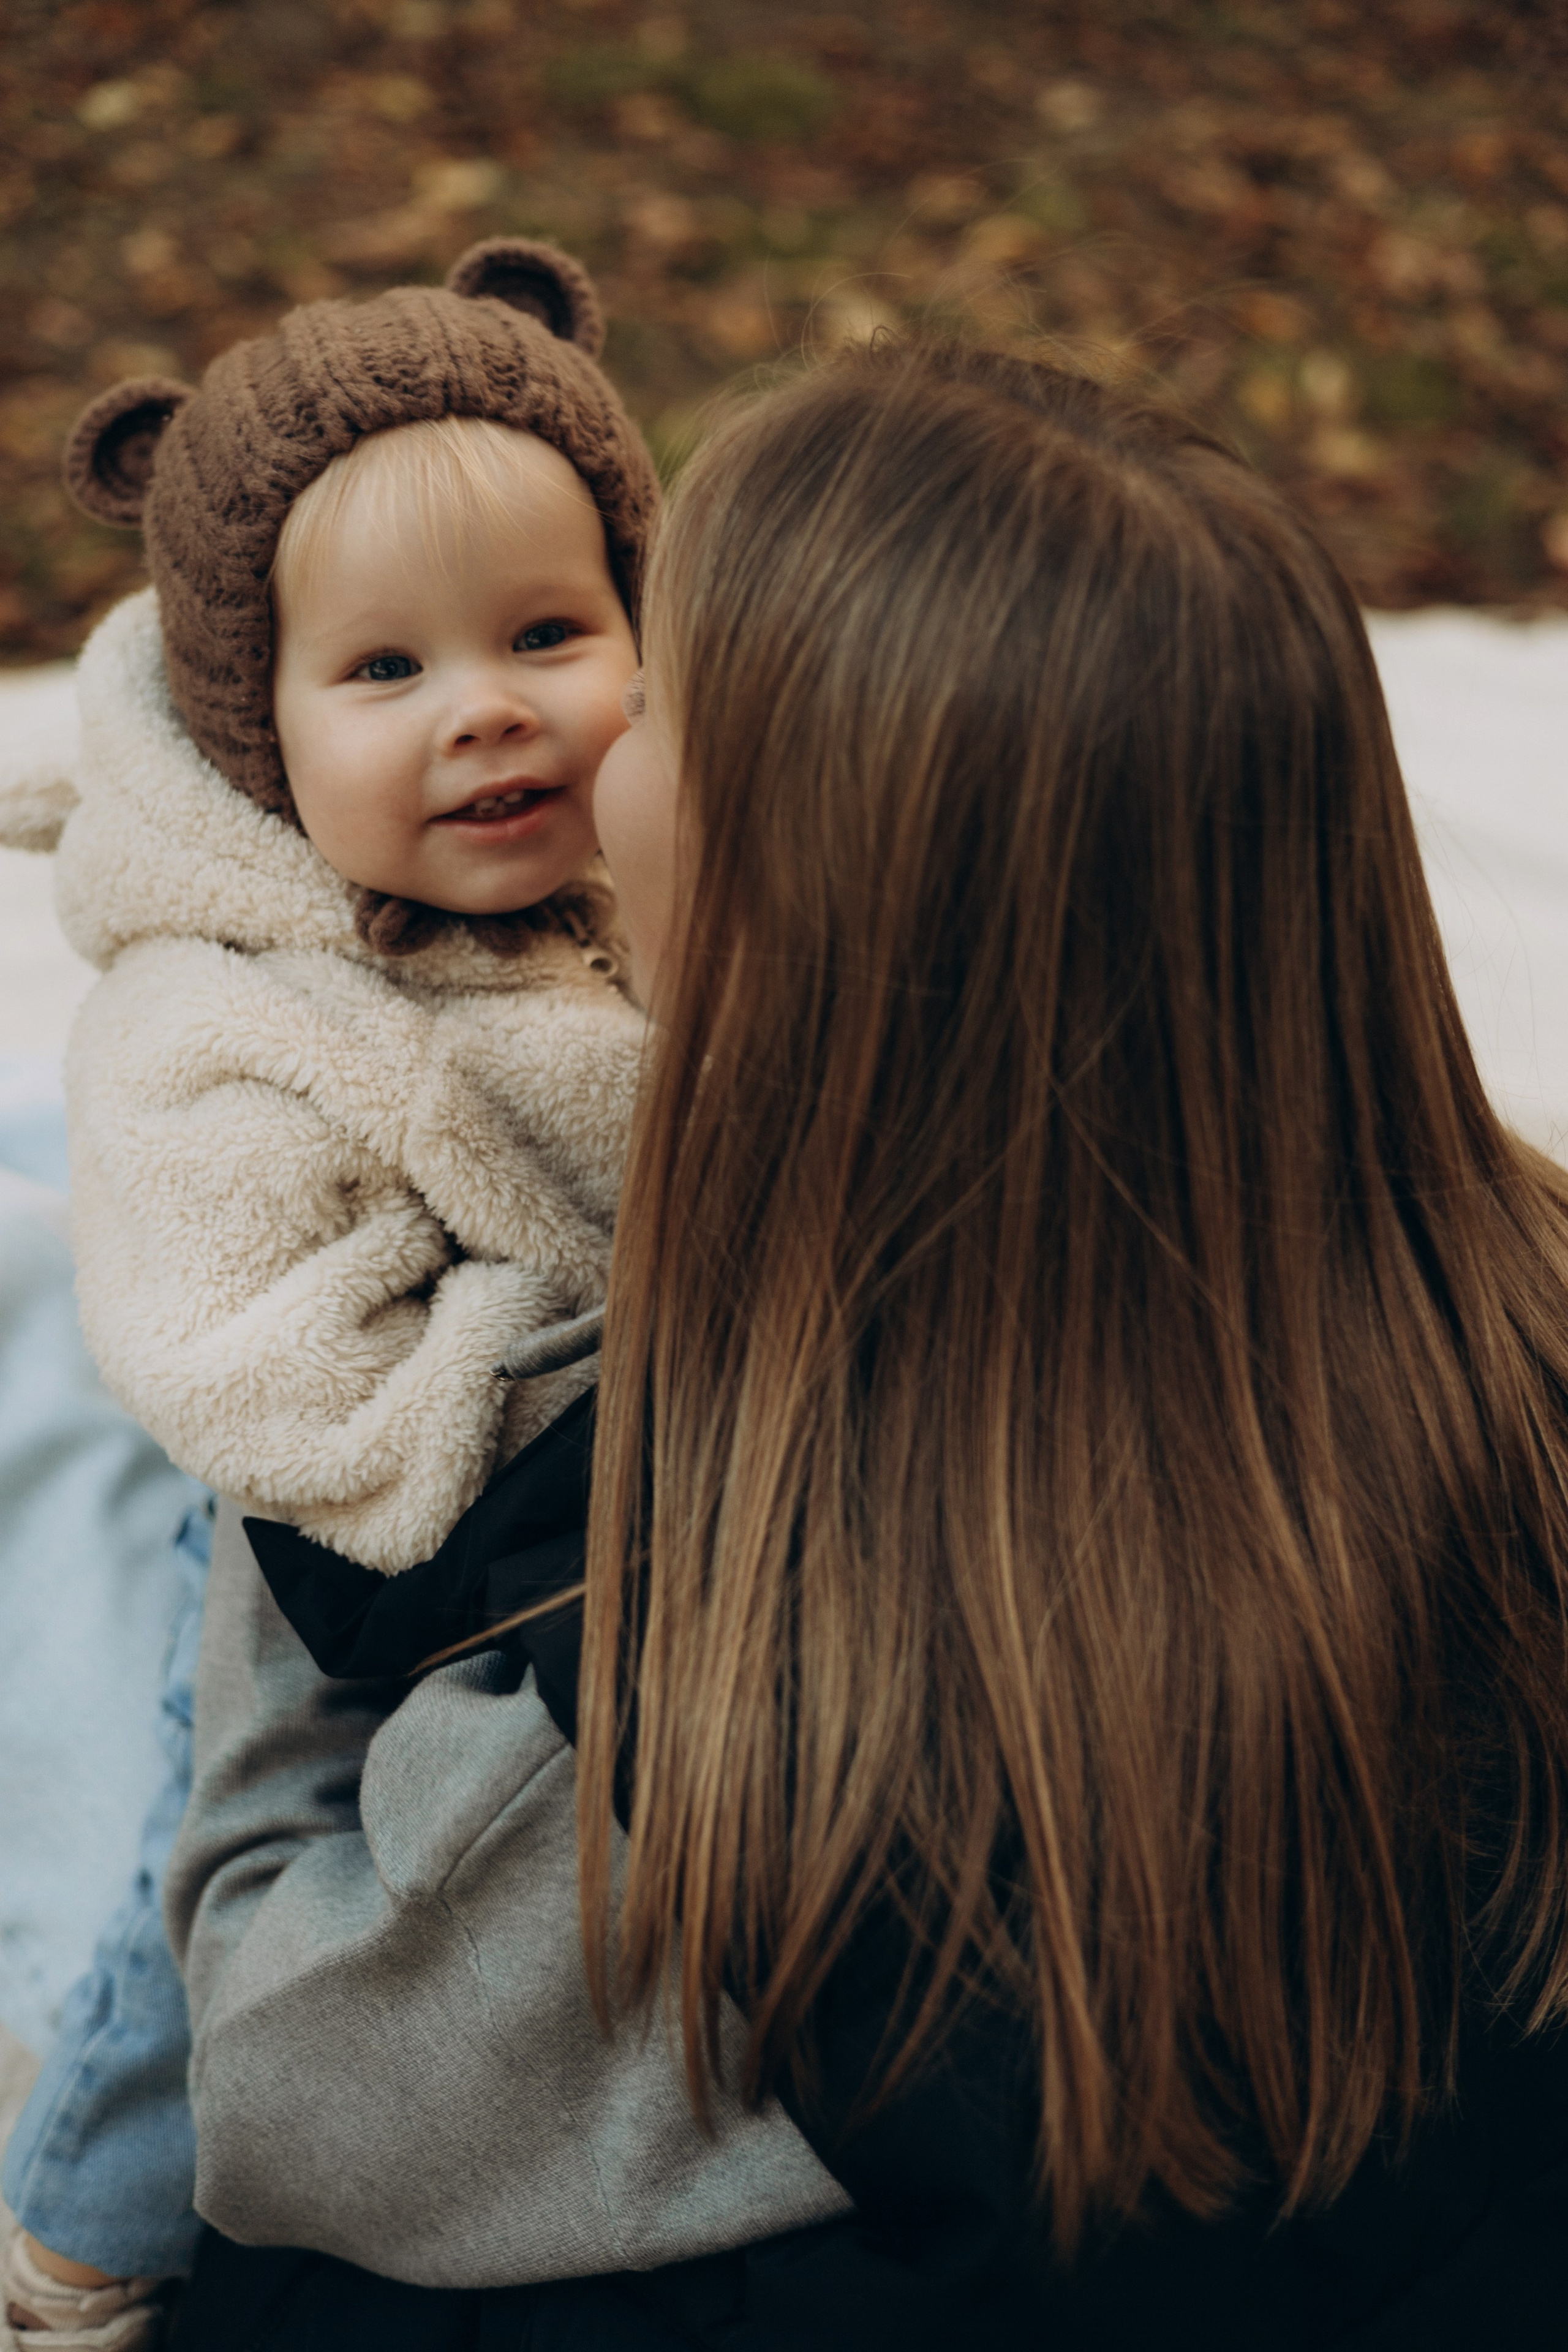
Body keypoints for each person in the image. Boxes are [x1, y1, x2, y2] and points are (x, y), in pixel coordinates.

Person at [171, 336, 1568, 2346]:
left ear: (803, 932)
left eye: (660, 705)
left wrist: (283, 1423)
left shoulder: (692, 1729)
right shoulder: (1521, 1328)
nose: (593, 744)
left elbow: (276, 2090)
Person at [0, 241, 848, 2351]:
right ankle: (84, 2237)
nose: (486, 708)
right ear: (256, 725)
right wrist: (505, 1361)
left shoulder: (634, 881)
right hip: (339, 1526)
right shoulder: (224, 1013)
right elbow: (238, 1355)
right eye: (384, 673)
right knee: (193, 1917)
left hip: (579, 1513)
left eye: (550, 635)